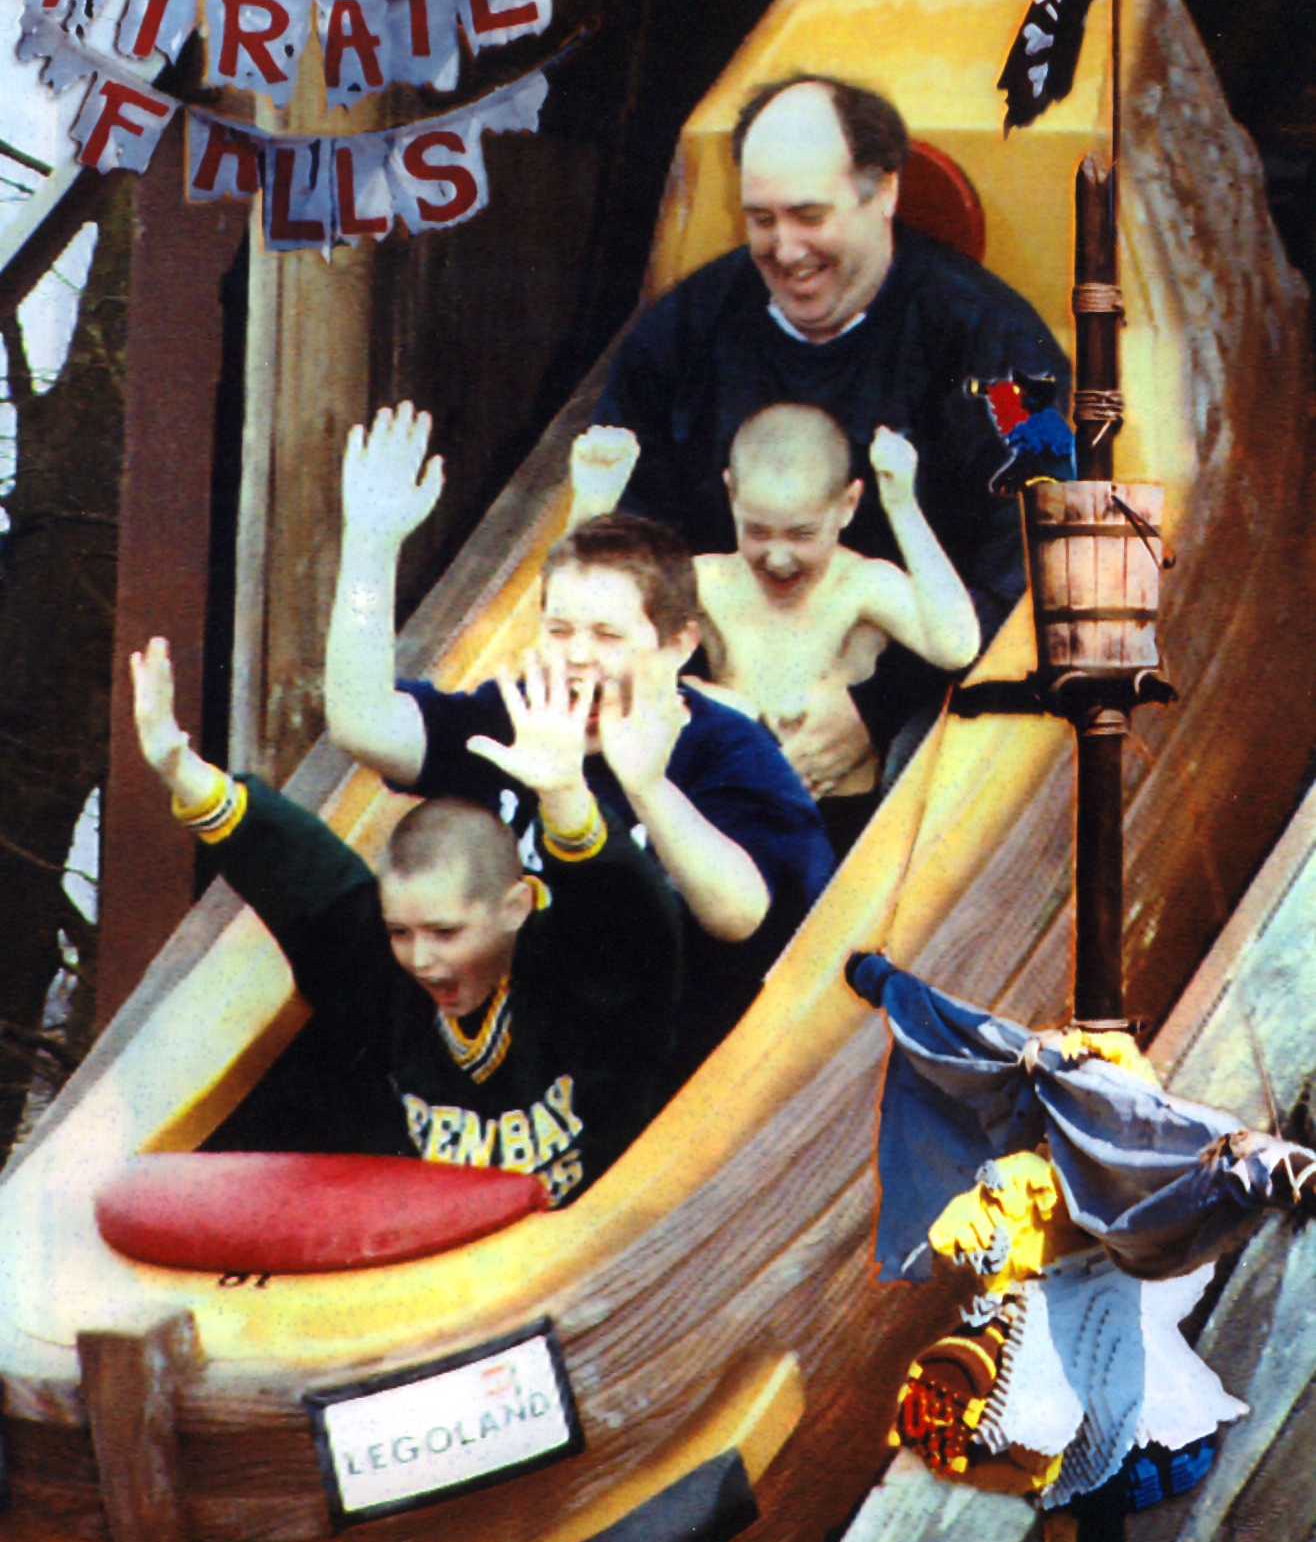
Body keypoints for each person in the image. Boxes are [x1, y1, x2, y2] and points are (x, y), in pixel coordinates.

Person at [324, 404, 835, 1090]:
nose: (577, 657)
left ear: (678, 643)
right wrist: (370, 547)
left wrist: (649, 788)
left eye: (607, 635)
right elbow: (362, 722)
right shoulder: (513, 715)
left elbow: (742, 914)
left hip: (668, 1085)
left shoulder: (729, 751)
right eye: (560, 630)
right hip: (518, 1079)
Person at [592, 74, 1073, 795]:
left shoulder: (1002, 349)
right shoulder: (677, 337)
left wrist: (873, 710)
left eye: (809, 216)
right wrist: (696, 703)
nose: (786, 250)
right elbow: (623, 545)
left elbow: (1038, 552)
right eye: (761, 219)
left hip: (920, 706)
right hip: (704, 706)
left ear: (884, 193)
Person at [130, 636, 682, 1205]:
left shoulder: (579, 974)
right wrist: (180, 768)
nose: (421, 959)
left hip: (595, 1237)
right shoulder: (384, 971)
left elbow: (625, 919)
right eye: (401, 932)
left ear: (515, 908)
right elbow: (299, 870)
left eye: (446, 933)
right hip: (429, 1245)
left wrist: (565, 797)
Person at [692, 406, 980, 855]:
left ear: (847, 505)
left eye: (802, 534)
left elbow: (956, 646)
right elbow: (599, 626)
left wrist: (902, 506)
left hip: (841, 820)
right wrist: (698, 695)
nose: (778, 558)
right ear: (731, 495)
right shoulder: (706, 582)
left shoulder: (860, 584)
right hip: (732, 820)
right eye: (757, 531)